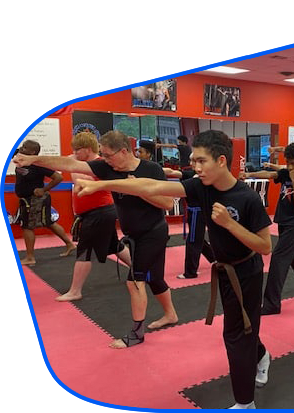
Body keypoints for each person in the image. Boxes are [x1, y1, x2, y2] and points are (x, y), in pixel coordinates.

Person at [74, 130, 273, 409]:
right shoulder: (200, 187)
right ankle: (261, 356)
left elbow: (265, 247)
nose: (196, 167)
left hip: (247, 272)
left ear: (222, 161)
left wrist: (231, 224)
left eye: (202, 161)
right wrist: (99, 185)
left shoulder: (247, 198)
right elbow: (151, 187)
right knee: (243, 327)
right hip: (224, 271)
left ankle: (245, 403)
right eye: (194, 161)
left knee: (235, 335)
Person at [14, 130, 178, 349]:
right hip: (133, 235)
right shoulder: (108, 167)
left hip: (153, 233)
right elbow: (69, 164)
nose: (105, 160)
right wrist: (34, 159)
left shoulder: (151, 169)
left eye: (108, 155)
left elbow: (167, 204)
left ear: (123, 151)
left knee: (134, 281)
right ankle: (171, 315)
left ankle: (137, 334)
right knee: (154, 278)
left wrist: (138, 188)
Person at [241, 143, 294, 315]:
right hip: (283, 221)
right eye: (288, 163)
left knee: (278, 259)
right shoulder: (286, 172)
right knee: (292, 256)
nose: (290, 167)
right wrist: (249, 174)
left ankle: (271, 304)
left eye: (293, 163)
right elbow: (270, 174)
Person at [56, 132, 132, 302]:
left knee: (85, 250)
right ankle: (140, 271)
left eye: (77, 150)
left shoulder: (99, 165)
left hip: (100, 212)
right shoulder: (84, 163)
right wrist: (73, 163)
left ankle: (75, 290)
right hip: (96, 213)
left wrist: (72, 165)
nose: (74, 153)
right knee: (114, 246)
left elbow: (81, 184)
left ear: (88, 149)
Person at [12, 140, 76, 266]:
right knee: (48, 222)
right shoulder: (20, 157)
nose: (21, 148)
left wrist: (44, 189)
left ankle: (30, 257)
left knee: (27, 226)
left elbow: (59, 177)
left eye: (25, 147)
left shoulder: (38, 164)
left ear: (33, 152)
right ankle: (69, 244)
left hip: (34, 200)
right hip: (27, 199)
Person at [162, 167, 215, 279]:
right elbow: (172, 172)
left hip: (198, 213)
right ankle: (214, 259)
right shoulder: (191, 174)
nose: (193, 164)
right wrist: (154, 169)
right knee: (198, 238)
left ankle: (190, 272)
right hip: (193, 212)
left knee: (193, 240)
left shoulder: (202, 179)